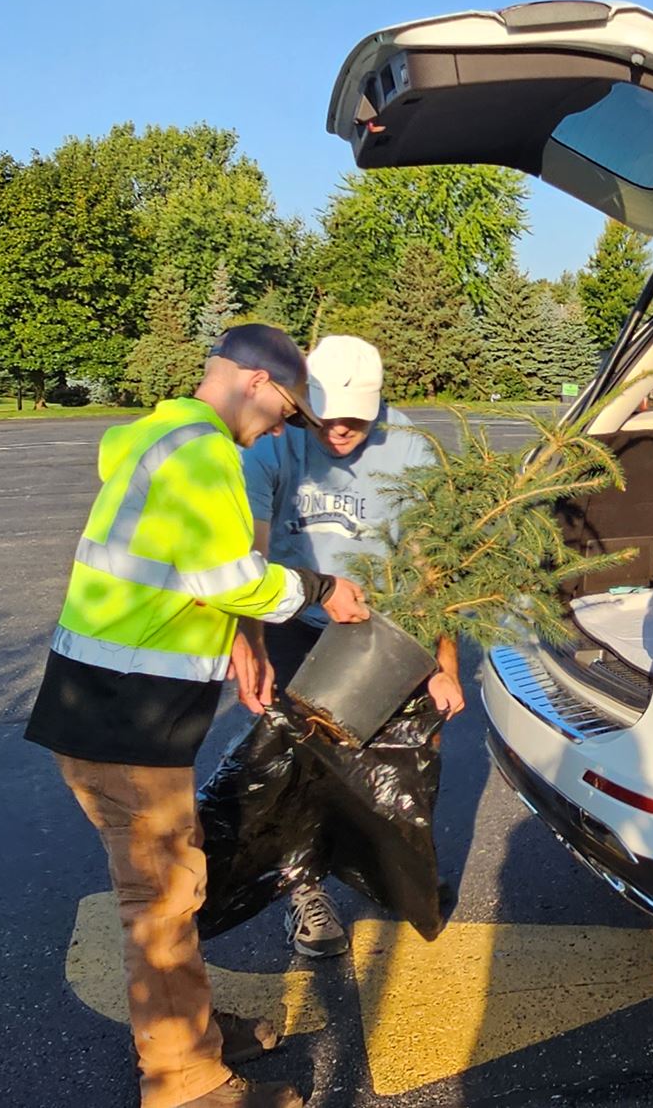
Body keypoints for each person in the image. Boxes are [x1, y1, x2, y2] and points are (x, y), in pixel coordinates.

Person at [25, 325, 371, 1108]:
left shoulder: (156, 435)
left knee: (168, 890)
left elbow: (185, 574)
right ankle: (184, 1080)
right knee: (163, 899)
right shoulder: (205, 452)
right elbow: (227, 576)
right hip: (125, 717)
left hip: (100, 704)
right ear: (254, 381)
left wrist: (237, 647)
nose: (282, 427)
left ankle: (193, 1029)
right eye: (286, 408)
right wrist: (321, 591)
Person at [239, 334, 459, 961]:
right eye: (326, 417)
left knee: (412, 751)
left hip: (379, 622)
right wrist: (249, 643)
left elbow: (434, 563)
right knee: (294, 756)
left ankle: (399, 872)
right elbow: (249, 552)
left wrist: (442, 667)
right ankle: (305, 888)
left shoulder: (412, 448)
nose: (338, 432)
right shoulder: (276, 443)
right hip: (290, 613)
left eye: (355, 420)